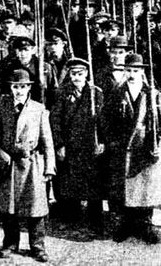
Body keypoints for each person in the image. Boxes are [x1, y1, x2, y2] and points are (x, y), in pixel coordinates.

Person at [104, 53, 161, 244]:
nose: (132, 74)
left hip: (146, 149)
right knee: (125, 191)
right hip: (124, 149)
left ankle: (145, 227)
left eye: (136, 70)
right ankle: (125, 226)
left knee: (146, 191)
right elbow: (105, 119)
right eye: (128, 70)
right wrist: (112, 141)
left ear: (142, 72)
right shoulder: (118, 92)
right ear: (124, 71)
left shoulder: (152, 94)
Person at [0, 69, 55, 263]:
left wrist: (49, 167)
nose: (19, 90)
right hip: (8, 163)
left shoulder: (38, 108)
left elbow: (47, 140)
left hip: (31, 164)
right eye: (16, 86)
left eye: (23, 87)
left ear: (29, 88)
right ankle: (10, 243)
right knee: (9, 209)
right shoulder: (3, 106)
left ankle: (37, 246)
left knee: (36, 209)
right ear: (11, 88)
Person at [50, 57, 106, 233]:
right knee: (70, 182)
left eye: (80, 74)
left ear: (86, 74)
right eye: (73, 74)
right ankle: (71, 218)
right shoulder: (62, 93)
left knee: (93, 183)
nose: (76, 77)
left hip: (90, 144)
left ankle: (95, 220)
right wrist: (59, 144)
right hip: (71, 145)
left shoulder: (96, 93)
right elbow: (55, 120)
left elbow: (103, 120)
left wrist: (102, 141)